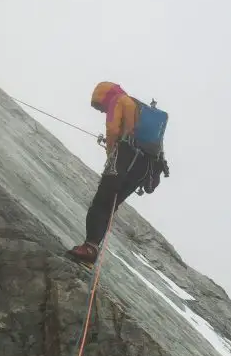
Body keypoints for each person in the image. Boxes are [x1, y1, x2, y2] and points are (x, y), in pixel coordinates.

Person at [66, 82, 169, 266]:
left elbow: (113, 130)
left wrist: (110, 154)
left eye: (100, 107)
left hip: (124, 160)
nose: (102, 111)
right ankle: (92, 249)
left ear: (103, 95)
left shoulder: (118, 100)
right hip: (143, 168)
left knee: (100, 203)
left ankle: (89, 249)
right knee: (110, 207)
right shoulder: (138, 108)